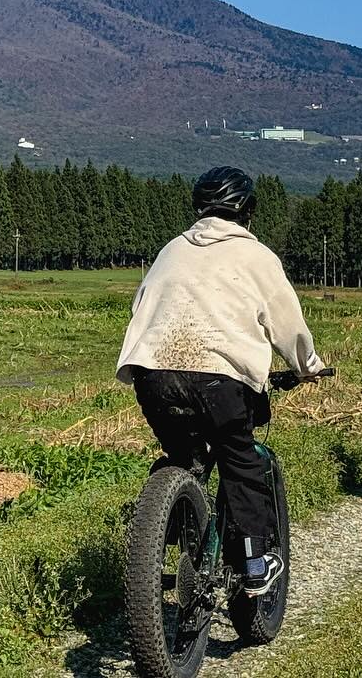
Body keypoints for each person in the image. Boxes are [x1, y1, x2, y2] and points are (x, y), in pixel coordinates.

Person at [116, 166, 326, 597]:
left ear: (198, 209)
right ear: (249, 212)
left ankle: (156, 530)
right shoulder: (257, 256)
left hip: (154, 374)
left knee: (183, 455)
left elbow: (142, 306)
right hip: (220, 381)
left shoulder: (171, 249)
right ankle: (253, 564)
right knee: (240, 461)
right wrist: (308, 365)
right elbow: (288, 325)